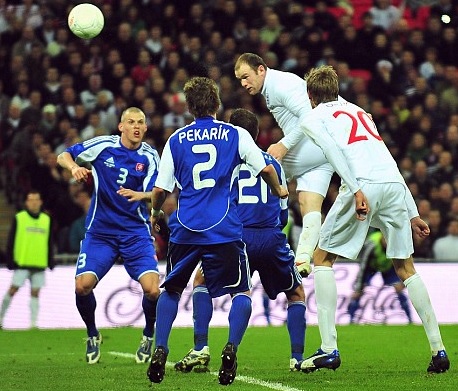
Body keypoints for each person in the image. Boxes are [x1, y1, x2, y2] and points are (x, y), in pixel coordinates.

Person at [297, 65, 449, 374]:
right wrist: (412, 210)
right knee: (405, 267)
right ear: (336, 89)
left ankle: (328, 349)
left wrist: (354, 189)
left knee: (322, 258)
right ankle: (439, 350)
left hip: (362, 183)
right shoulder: (361, 112)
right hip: (393, 185)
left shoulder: (313, 116)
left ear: (310, 95)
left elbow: (332, 152)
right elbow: (387, 158)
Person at [147, 77, 288, 386]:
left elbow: (160, 189)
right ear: (217, 104)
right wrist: (279, 191)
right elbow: (264, 168)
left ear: (189, 107)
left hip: (185, 226)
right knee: (241, 291)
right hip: (223, 227)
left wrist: (156, 213)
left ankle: (161, 348)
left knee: (172, 288)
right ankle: (231, 347)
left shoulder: (176, 139)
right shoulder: (234, 134)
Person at [173, 108, 306, 374]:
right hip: (270, 237)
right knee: (296, 294)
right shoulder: (274, 164)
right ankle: (296, 359)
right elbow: (283, 213)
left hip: (237, 237)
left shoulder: (227, 162)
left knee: (205, 282)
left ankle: (201, 348)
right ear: (255, 134)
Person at [56, 107, 161, 365]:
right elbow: (63, 155)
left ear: (145, 128)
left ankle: (148, 334)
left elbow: (157, 191)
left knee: (153, 291)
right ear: (121, 127)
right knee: (82, 286)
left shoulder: (150, 156)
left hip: (135, 233)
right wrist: (73, 168)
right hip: (101, 233)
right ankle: (92, 334)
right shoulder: (104, 146)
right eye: (130, 122)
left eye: (140, 122)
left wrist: (142, 196)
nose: (136, 126)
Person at [234, 52, 336, 278]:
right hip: (323, 153)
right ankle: (302, 258)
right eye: (240, 79)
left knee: (257, 168)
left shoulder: (280, 84)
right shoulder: (277, 85)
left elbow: (309, 116)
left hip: (310, 145)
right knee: (309, 204)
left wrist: (284, 144)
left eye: (246, 76)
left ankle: (245, 232)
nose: (243, 83)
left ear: (261, 69)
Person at [0, 190, 54, 329]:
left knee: (35, 293)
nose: (34, 202)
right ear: (26, 202)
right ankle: (0, 318)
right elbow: (11, 239)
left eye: (36, 199)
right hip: (22, 262)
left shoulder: (46, 219)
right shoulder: (20, 218)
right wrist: (10, 259)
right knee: (13, 290)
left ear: (40, 202)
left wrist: (50, 259)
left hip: (39, 262)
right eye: (31, 200)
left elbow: (49, 241)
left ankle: (33, 323)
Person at [347, 230, 412, 324]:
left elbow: (404, 262)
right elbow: (363, 266)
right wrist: (359, 286)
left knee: (399, 289)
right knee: (359, 292)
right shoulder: (371, 245)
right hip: (370, 267)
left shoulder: (396, 244)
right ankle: (351, 320)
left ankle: (410, 319)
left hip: (388, 267)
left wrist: (404, 281)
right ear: (382, 236)